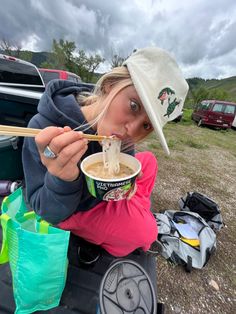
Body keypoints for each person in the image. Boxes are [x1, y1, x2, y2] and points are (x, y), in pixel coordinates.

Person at [22, 47, 189, 257]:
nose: (132, 130)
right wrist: (62, 178)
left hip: (104, 197)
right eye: (134, 105)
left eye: (146, 126)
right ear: (111, 86)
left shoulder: (120, 135)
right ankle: (129, 214)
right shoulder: (44, 128)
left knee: (149, 162)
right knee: (147, 233)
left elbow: (128, 161)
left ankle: (132, 210)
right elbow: (45, 212)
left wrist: (127, 183)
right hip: (72, 210)